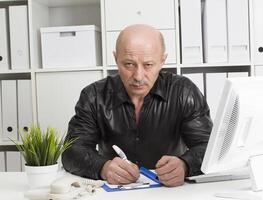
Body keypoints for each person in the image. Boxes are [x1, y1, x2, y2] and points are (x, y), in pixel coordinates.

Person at [62, 24, 212, 187]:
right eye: (128, 64)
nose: (138, 76)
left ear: (162, 61)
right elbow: (72, 151)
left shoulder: (184, 92)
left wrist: (185, 165)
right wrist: (103, 167)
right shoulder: (93, 96)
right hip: (114, 191)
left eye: (148, 65)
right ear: (116, 59)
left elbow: (210, 147)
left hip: (170, 192)